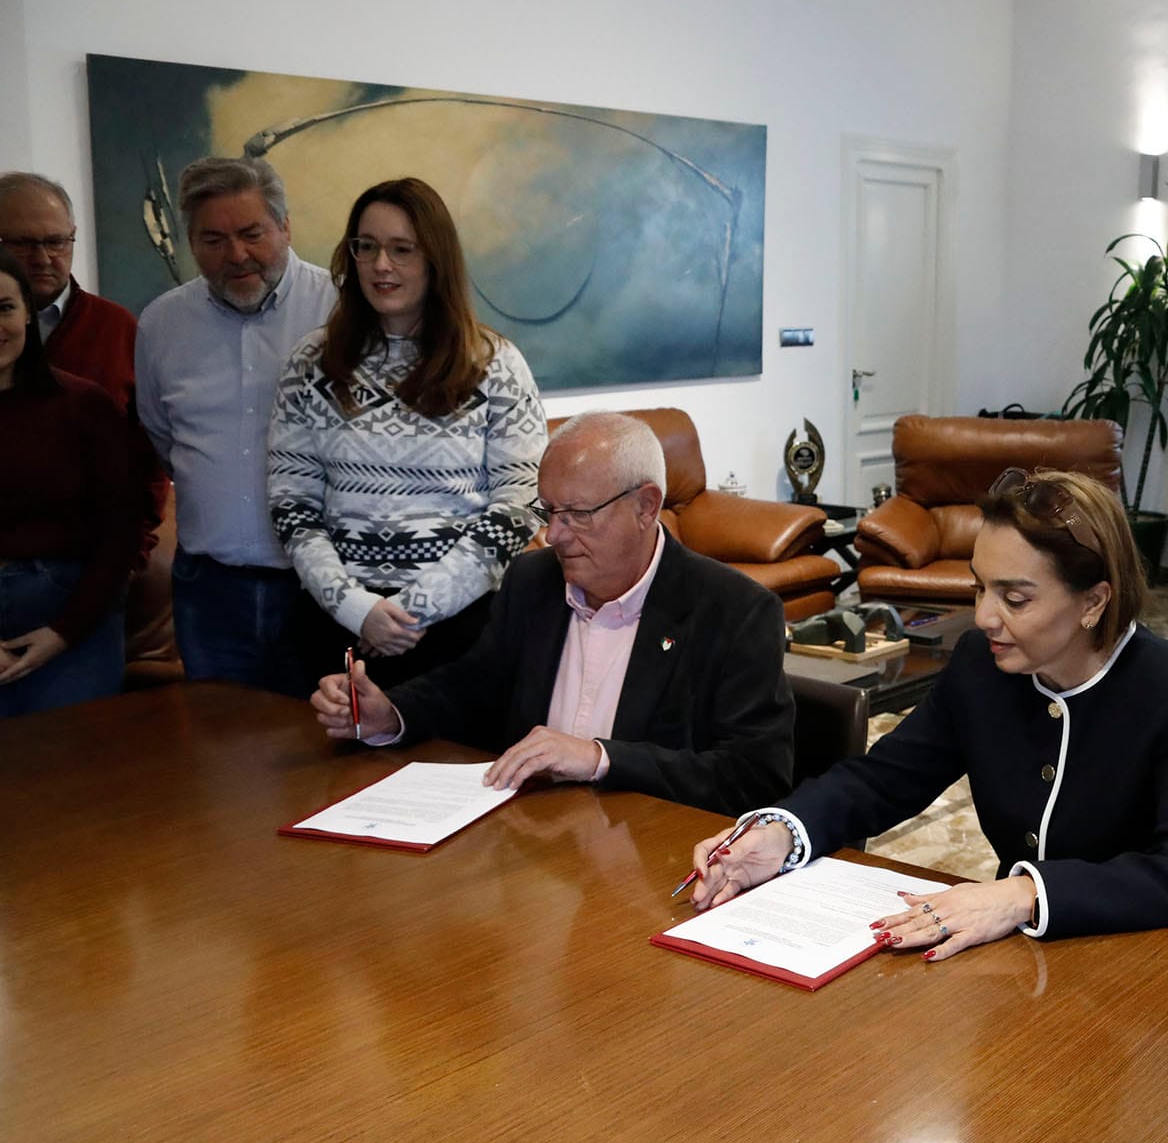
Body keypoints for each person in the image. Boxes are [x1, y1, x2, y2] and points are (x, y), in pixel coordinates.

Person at [687, 468, 1168, 961]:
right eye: (979, 587)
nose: (983, 617)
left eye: (1014, 599)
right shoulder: (981, 665)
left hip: (1162, 969)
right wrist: (783, 831)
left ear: (1094, 602)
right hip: (1028, 962)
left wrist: (1023, 894)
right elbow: (885, 780)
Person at [310, 412, 794, 811]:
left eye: (578, 515)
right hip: (533, 839)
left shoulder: (735, 612)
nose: (555, 535)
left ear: (646, 506)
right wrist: (390, 714)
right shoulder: (533, 580)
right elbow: (473, 686)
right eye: (548, 512)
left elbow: (754, 776)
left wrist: (600, 758)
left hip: (646, 853)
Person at [269, 177, 545, 686]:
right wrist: (355, 608)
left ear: (436, 259)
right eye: (366, 246)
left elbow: (521, 505)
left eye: (402, 249)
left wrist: (415, 608)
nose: (381, 265)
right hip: (338, 625)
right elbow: (292, 502)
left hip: (462, 628)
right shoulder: (311, 362)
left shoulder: (495, 364)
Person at [134, 157, 332, 693]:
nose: (237, 255)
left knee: (326, 737)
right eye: (214, 240)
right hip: (209, 589)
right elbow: (162, 435)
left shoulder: (342, 310)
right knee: (217, 737)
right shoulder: (160, 324)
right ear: (191, 243)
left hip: (321, 587)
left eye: (252, 233)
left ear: (285, 227)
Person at [0, 247, 147, 715]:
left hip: (73, 619)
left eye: (4, 308)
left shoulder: (85, 405)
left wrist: (65, 633)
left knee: (75, 755)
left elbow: (121, 530)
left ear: (27, 313)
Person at [0, 172, 139, 411]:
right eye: (23, 243)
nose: (42, 259)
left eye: (56, 242)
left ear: (72, 235)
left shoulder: (116, 327)